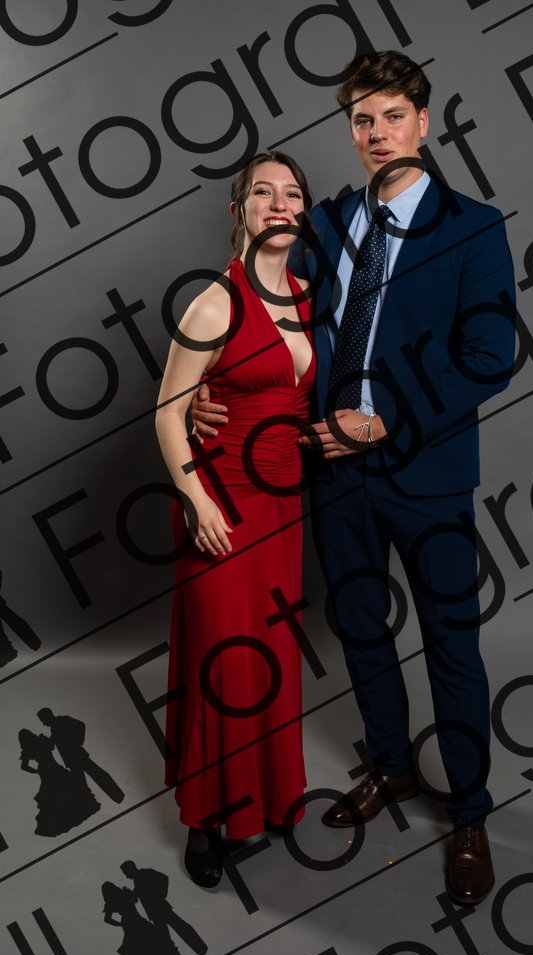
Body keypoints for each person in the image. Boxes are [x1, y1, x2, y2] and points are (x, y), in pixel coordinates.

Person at [193, 51, 515, 905]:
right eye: (362, 119)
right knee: (363, 630)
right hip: (332, 471)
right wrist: (204, 390)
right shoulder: (331, 221)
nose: (377, 133)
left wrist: (387, 419)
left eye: (392, 115)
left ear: (424, 122)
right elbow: (260, 301)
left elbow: (490, 356)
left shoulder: (474, 227)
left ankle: (471, 811)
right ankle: (391, 767)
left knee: (451, 643)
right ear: (350, 130)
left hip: (426, 473)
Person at [155, 151, 316, 887]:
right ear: (239, 211)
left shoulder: (310, 297)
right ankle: (203, 819)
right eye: (262, 193)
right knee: (223, 661)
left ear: (303, 212)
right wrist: (197, 500)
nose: (278, 204)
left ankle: (267, 798)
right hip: (221, 504)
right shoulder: (215, 303)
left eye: (292, 194)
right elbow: (167, 413)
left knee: (270, 654)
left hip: (283, 506)